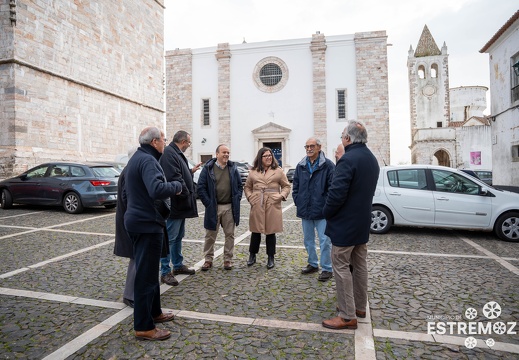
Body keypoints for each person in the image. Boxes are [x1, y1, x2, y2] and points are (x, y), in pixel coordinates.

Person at [124, 126, 182, 341]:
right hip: (146, 224)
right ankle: (143, 327)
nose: (165, 144)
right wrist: (175, 186)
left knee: (150, 272)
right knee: (146, 277)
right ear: (155, 141)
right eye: (164, 140)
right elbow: (156, 189)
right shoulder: (147, 160)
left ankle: (155, 312)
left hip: (142, 221)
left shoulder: (138, 158)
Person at [321, 120, 380, 330]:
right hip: (362, 222)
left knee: (340, 266)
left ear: (348, 139)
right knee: (360, 265)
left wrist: (326, 212)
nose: (341, 139)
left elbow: (337, 194)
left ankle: (347, 315)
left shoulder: (347, 159)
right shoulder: (371, 159)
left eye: (342, 136)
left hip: (345, 224)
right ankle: (360, 307)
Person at [159, 130, 201, 286]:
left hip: (181, 204)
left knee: (178, 236)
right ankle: (165, 271)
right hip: (176, 204)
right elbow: (174, 177)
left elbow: (180, 173)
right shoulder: (169, 153)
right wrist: (186, 193)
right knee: (170, 238)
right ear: (183, 141)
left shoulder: (174, 152)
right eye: (188, 143)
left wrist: (190, 171)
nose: (188, 146)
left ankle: (177, 265)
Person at [292, 137, 335, 281]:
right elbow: (295, 186)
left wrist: (326, 205)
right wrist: (298, 200)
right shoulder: (301, 165)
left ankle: (327, 268)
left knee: (325, 241)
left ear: (319, 147)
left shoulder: (328, 165)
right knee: (308, 240)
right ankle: (312, 263)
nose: (309, 149)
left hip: (322, 211)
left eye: (312, 146)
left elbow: (332, 188)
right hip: (305, 209)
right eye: (307, 146)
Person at [197, 144, 243, 271]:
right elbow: (201, 187)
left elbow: (240, 186)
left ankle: (228, 260)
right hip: (213, 208)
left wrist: (237, 198)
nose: (226, 155)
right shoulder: (208, 168)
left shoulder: (233, 168)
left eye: (228, 152)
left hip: (229, 207)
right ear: (217, 154)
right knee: (210, 235)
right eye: (224, 152)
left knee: (230, 235)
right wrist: (208, 203)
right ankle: (208, 259)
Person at [244, 147, 291, 269]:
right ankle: (252, 255)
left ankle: (271, 257)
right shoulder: (253, 172)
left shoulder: (278, 171)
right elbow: (247, 187)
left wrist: (281, 196)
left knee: (271, 232)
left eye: (270, 155)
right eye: (266, 156)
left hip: (272, 203)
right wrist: (250, 197)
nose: (269, 157)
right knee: (255, 231)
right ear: (260, 158)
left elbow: (286, 186)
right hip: (257, 203)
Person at [114, 147, 137, 308]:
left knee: (136, 257)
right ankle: (130, 295)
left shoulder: (130, 170)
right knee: (135, 257)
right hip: (131, 222)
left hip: (131, 220)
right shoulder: (130, 171)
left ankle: (134, 293)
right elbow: (127, 198)